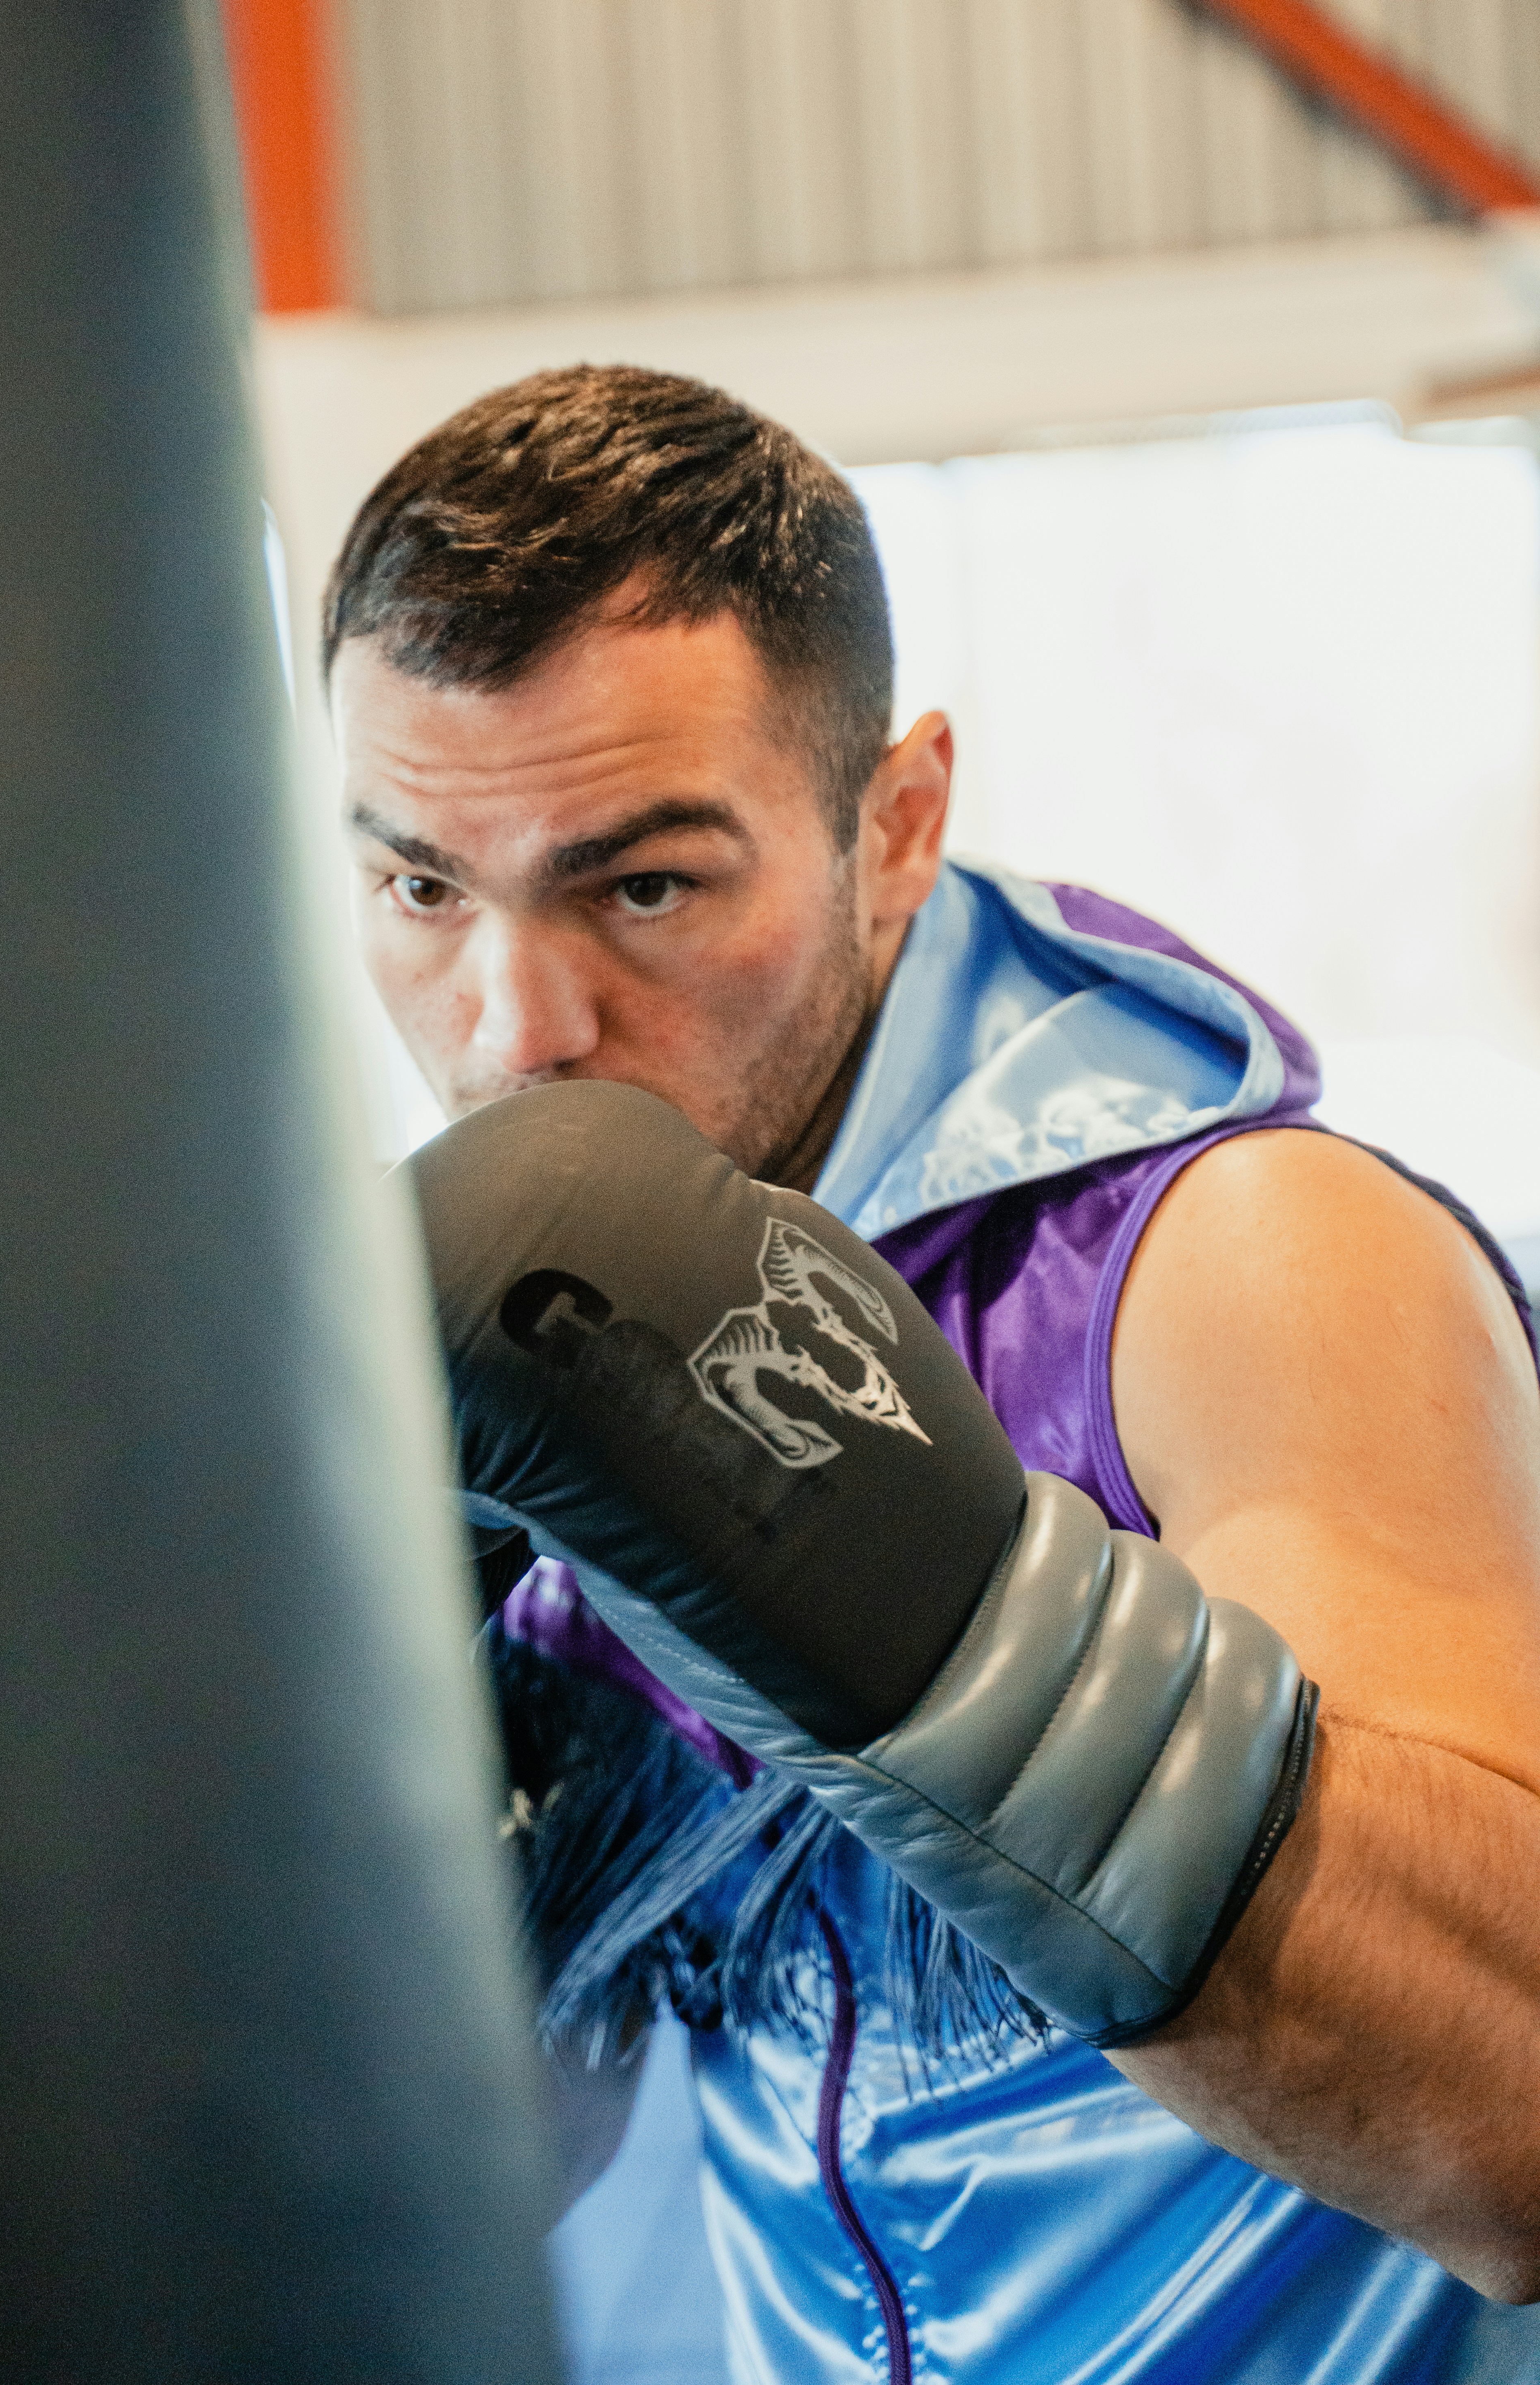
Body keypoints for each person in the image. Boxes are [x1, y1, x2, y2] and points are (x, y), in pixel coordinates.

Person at [323, 364, 1540, 2382]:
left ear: (893, 825)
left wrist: (939, 1632)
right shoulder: (499, 1351)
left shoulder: (1228, 1258)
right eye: (422, 886)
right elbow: (486, 2185)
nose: (515, 1026)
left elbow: (1512, 2112)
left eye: (645, 884)